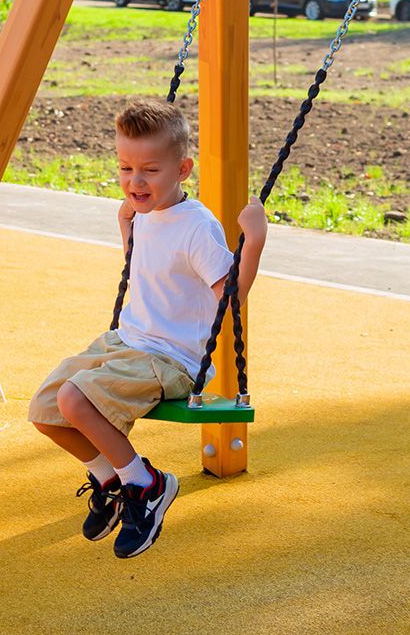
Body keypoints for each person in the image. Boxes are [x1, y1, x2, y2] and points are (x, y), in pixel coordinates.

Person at [30, 99, 268, 558]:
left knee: (73, 399)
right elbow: (142, 268)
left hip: (170, 359)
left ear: (182, 169)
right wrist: (125, 225)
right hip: (126, 341)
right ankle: (109, 477)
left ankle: (147, 484)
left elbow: (231, 302)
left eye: (149, 171)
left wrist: (253, 242)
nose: (135, 182)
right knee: (45, 410)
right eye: (125, 168)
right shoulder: (140, 213)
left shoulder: (197, 227)